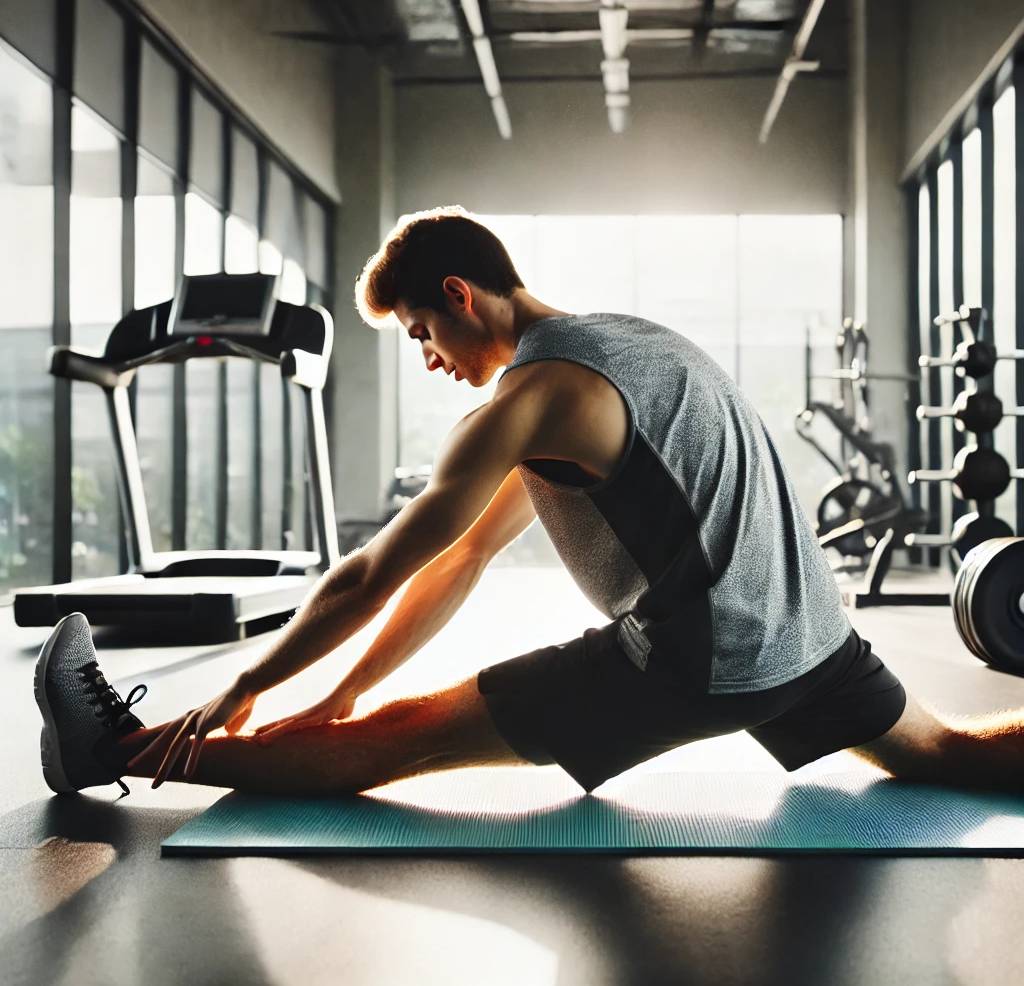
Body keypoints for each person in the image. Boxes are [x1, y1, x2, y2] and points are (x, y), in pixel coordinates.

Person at [34, 207, 1024, 801]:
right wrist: (340, 686)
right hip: (808, 637)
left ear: (461, 296)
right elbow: (454, 562)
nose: (431, 360)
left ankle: (110, 747)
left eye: (423, 332)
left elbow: (376, 570)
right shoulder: (627, 345)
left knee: (395, 742)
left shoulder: (531, 398)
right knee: (947, 751)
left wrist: (248, 684)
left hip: (703, 661)